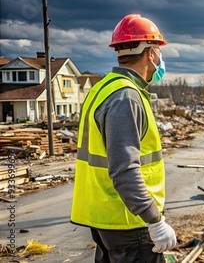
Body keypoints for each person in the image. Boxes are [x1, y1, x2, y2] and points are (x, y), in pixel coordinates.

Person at [71, 14, 176, 263]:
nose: (160, 59)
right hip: (128, 221)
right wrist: (154, 219)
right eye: (159, 51)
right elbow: (124, 169)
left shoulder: (104, 88)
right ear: (150, 54)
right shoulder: (125, 97)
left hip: (107, 217)